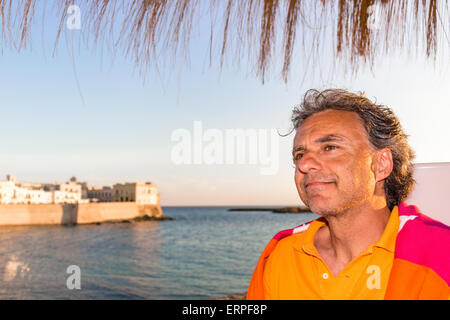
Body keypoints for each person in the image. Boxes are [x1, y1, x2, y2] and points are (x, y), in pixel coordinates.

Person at [247, 89, 449, 300]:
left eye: (330, 147)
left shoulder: (441, 256)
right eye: (299, 154)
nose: (304, 164)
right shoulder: (281, 257)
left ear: (381, 164)